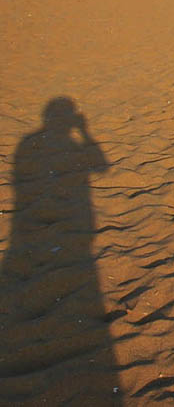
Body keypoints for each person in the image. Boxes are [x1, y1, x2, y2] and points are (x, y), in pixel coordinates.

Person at [0, 97, 122, 404]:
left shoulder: (27, 143)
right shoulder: (39, 143)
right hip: (67, 241)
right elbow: (103, 166)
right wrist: (86, 132)